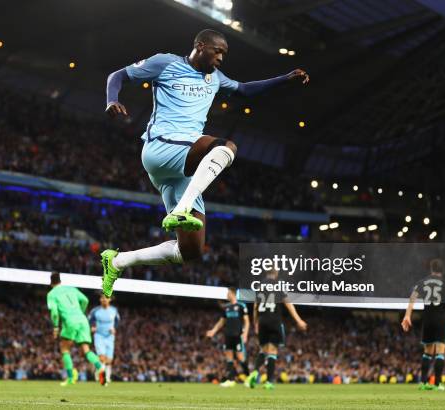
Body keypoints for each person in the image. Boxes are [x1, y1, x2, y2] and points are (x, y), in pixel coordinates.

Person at [100, 28, 309, 296]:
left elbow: (244, 90)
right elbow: (117, 76)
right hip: (161, 147)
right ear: (200, 45)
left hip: (182, 168)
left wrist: (284, 79)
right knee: (227, 146)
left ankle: (117, 261)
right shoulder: (165, 62)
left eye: (224, 53)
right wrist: (112, 100)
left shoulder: (216, 78)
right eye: (217, 51)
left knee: (190, 251)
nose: (221, 57)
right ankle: (182, 209)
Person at [401, 259, 445, 391]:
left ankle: (424, 383)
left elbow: (412, 299)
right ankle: (437, 384)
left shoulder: (422, 282)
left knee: (427, 352)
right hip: (441, 319)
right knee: (440, 352)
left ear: (431, 269)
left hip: (428, 320)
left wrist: (407, 315)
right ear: (443, 270)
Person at [246, 270, 307, 390]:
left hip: (262, 320)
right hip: (274, 320)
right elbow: (288, 303)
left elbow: (255, 306)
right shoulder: (279, 285)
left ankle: (255, 371)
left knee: (263, 349)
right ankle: (269, 382)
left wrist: (255, 322)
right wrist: (298, 320)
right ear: (276, 273)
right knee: (272, 351)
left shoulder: (260, 285)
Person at [46, 271, 106, 386]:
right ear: (60, 281)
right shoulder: (71, 288)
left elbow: (54, 312)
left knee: (65, 349)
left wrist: (55, 327)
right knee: (86, 350)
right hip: (82, 320)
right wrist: (81, 312)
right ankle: (100, 368)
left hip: (70, 321)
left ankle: (70, 378)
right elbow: (85, 300)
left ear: (51, 282)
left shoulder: (51, 294)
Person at [206, 287, 250, 387]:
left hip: (238, 335)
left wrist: (245, 333)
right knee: (229, 357)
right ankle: (231, 380)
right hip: (228, 335)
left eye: (228, 293)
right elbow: (221, 321)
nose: (227, 295)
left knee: (240, 357)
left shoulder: (241, 306)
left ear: (233, 294)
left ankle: (249, 377)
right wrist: (213, 330)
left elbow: (247, 321)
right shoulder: (227, 307)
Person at [89, 294, 120, 383]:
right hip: (99, 335)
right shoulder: (96, 311)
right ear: (100, 299)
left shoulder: (114, 310)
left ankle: (107, 376)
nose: (104, 299)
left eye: (106, 298)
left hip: (110, 337)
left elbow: (117, 320)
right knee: (102, 357)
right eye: (102, 298)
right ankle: (101, 376)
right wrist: (92, 327)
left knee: (109, 360)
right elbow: (90, 319)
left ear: (110, 299)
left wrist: (114, 328)